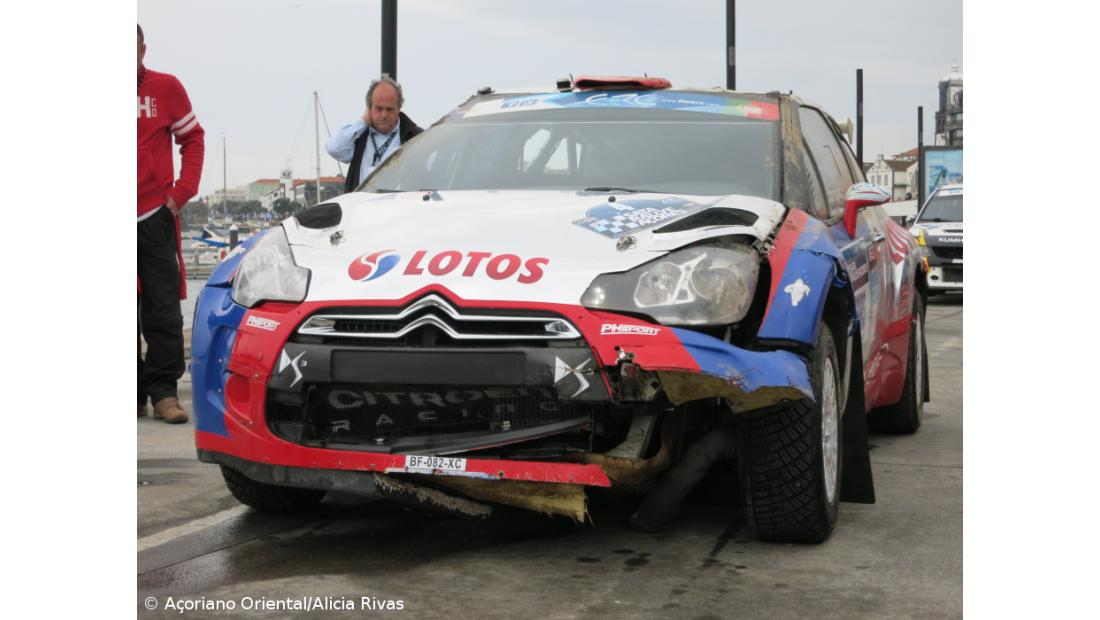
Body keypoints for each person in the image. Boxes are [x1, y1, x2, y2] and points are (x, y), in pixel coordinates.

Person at [138, 24, 205, 423]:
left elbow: (193, 138)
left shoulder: (166, 88)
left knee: (162, 309)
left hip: (153, 214)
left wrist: (182, 192)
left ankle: (164, 392)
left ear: (143, 49)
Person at [327, 76, 423, 193]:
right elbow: (334, 148)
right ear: (369, 108)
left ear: (399, 108)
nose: (384, 115)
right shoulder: (359, 135)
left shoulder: (415, 137)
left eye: (389, 109)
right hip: (362, 208)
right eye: (378, 108)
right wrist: (363, 121)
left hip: (399, 207)